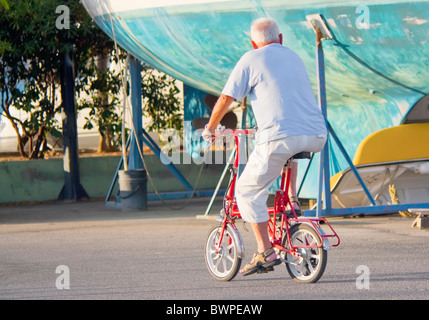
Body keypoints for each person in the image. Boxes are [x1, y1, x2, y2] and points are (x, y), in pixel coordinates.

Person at [202, 17, 327, 276]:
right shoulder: (294, 57)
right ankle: (291, 201)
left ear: (253, 43)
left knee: (246, 190)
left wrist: (211, 128)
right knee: (285, 153)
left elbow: (227, 97)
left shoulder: (251, 58)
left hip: (281, 137)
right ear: (280, 39)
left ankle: (265, 250)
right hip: (316, 135)